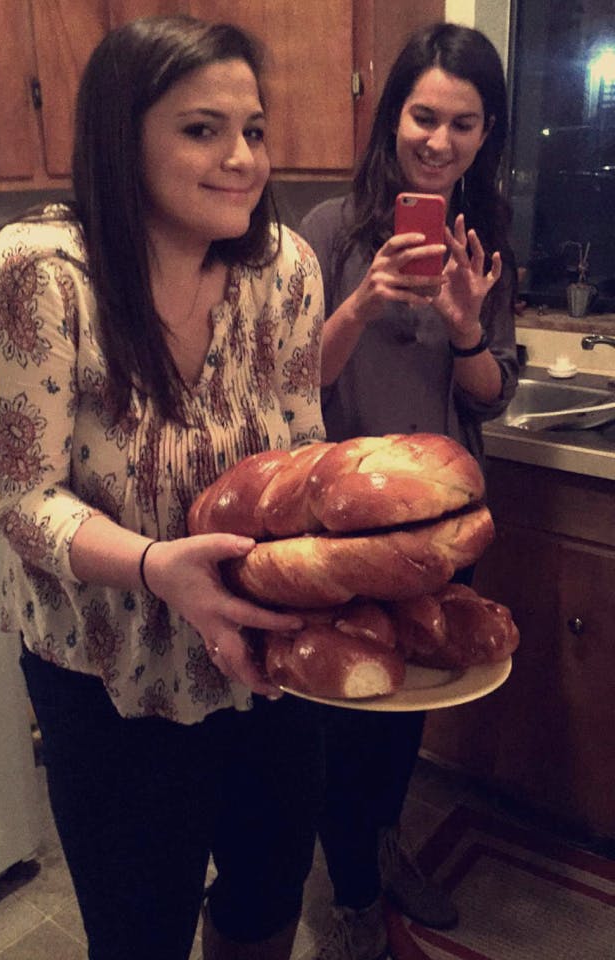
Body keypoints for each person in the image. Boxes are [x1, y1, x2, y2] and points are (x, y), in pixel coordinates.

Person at [0, 15, 327, 960]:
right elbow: (21, 497)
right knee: (140, 930)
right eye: (201, 129)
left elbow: (302, 448)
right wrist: (156, 566)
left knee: (265, 891)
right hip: (106, 673)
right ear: (119, 135)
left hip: (264, 652)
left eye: (253, 129)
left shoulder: (288, 270)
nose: (242, 158)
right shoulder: (38, 274)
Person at [299, 22, 519, 960]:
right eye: (424, 116)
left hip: (438, 524)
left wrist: (468, 330)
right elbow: (291, 378)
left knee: (409, 707)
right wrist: (363, 300)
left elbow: (494, 394)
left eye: (464, 123)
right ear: (393, 115)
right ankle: (351, 894)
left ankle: (382, 850)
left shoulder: (487, 238)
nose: (440, 139)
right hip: (343, 519)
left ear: (488, 132)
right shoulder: (321, 233)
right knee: (349, 714)